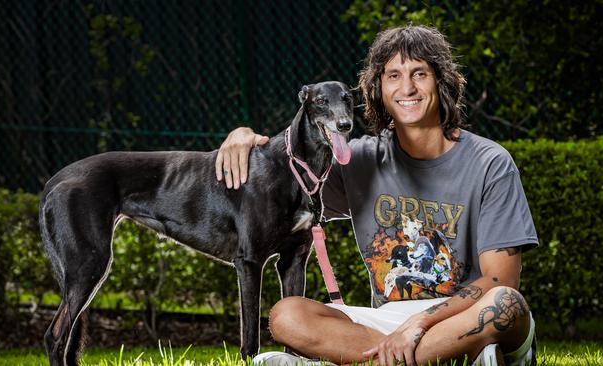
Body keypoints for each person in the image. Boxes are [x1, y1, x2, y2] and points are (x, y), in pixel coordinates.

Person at [215, 25, 538, 366]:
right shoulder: (358, 160)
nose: (407, 88)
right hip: (387, 322)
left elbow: (500, 280)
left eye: (420, 74)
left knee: (506, 304)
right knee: (286, 314)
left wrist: (421, 323)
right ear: (378, 89)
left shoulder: (490, 162)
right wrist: (244, 137)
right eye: (393, 75)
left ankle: (380, 358)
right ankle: (447, 357)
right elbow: (287, 175)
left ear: (441, 82)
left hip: (464, 314)